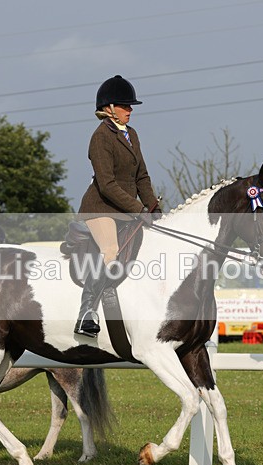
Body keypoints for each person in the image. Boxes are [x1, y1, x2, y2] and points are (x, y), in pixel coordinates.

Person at [74, 74, 161, 337]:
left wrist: (154, 208)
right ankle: (86, 313)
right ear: (110, 108)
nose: (130, 110)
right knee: (110, 250)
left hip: (126, 209)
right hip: (101, 207)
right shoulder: (100, 137)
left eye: (130, 106)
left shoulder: (131, 134)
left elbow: (142, 176)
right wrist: (139, 210)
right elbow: (107, 184)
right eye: (125, 106)